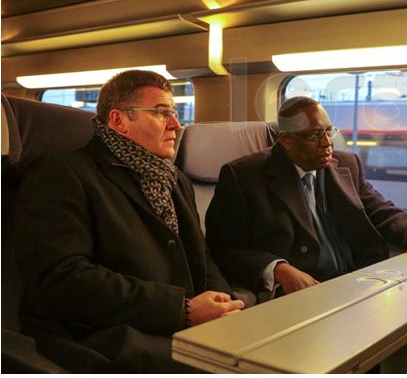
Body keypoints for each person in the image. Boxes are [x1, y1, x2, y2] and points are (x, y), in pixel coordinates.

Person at [13, 70, 244, 373]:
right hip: (101, 333)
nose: (176, 124)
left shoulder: (175, 180)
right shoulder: (62, 173)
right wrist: (181, 310)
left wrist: (222, 301)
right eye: (161, 113)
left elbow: (200, 254)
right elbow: (62, 279)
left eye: (173, 113)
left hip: (170, 323)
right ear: (119, 120)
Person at [205, 96, 407, 296]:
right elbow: (222, 248)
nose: (327, 143)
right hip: (300, 290)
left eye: (329, 131)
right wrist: (277, 269)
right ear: (286, 140)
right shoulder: (244, 176)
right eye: (314, 135)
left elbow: (383, 211)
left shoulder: (345, 164)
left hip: (358, 278)